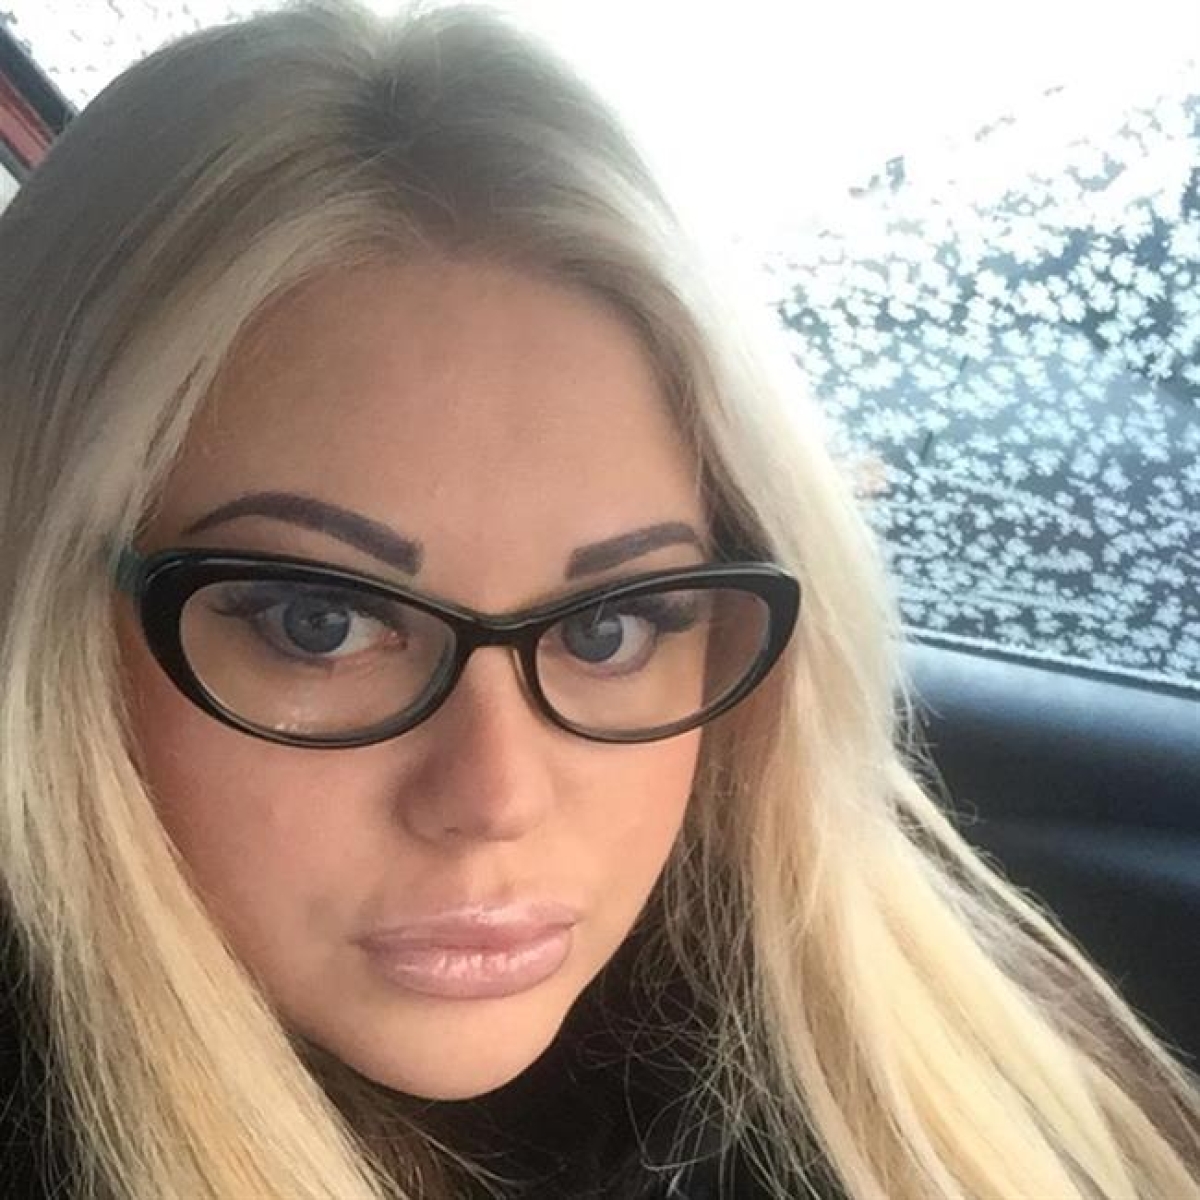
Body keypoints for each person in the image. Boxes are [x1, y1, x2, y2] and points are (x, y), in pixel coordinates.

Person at [0, 3, 1197, 1197]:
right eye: (317, 623)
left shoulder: (934, 1065)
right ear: (43, 614)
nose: (496, 798)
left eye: (608, 628)